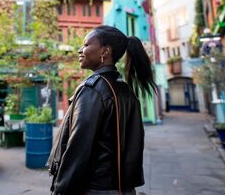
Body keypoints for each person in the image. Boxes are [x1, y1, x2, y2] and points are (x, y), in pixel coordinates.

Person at [48, 25, 156, 195]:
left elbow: (79, 147)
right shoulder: (126, 91)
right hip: (123, 188)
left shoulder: (93, 89)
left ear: (105, 51)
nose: (80, 50)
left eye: (86, 45)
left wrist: (61, 188)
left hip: (95, 188)